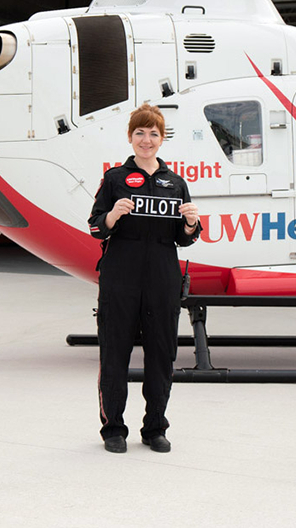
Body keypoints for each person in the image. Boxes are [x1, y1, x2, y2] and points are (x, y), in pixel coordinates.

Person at [88, 104, 201, 454]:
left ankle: (155, 427)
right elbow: (94, 227)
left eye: (153, 133)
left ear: (162, 138)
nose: (146, 140)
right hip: (120, 275)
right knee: (115, 352)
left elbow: (186, 238)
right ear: (130, 137)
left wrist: (191, 223)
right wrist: (112, 216)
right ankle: (113, 429)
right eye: (140, 132)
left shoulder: (176, 183)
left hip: (163, 276)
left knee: (161, 353)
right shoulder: (114, 179)